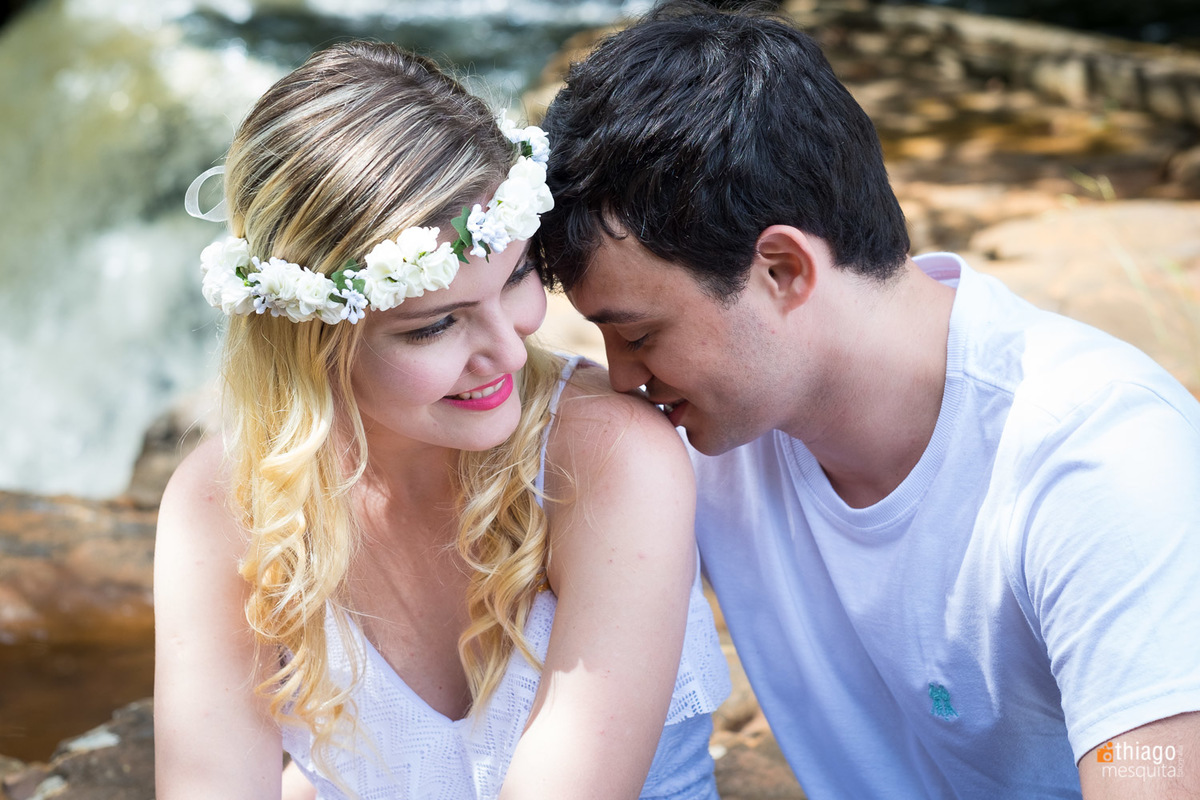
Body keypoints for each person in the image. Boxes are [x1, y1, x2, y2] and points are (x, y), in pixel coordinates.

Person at [534, 3, 1200, 798]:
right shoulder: (700, 435)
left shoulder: (1099, 459)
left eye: (639, 335)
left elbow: (1157, 775)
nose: (623, 377)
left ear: (782, 270)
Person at [154, 41, 730, 800]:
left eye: (519, 276)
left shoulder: (608, 460)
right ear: (312, 339)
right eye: (435, 325)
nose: (509, 350)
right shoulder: (220, 504)